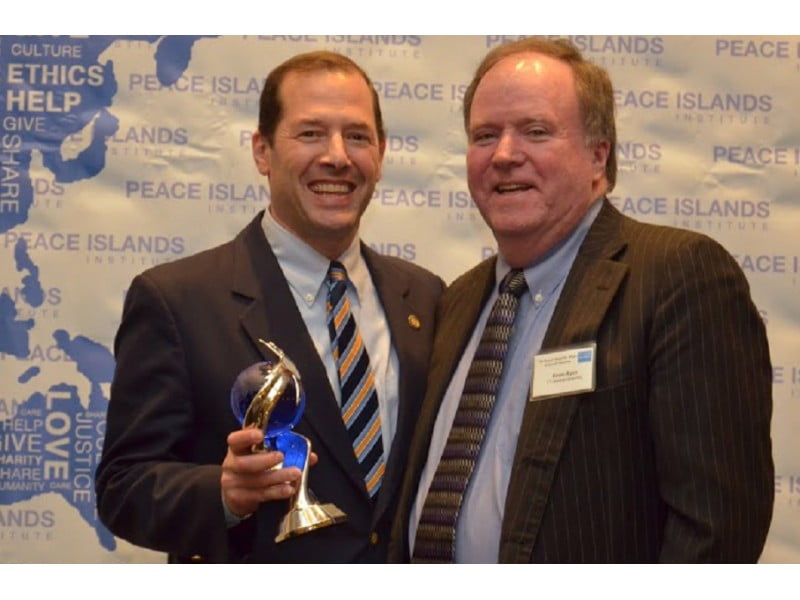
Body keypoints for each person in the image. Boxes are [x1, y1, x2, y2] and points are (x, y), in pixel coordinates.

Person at [389, 38, 773, 563]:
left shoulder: (677, 276)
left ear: (598, 155)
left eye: (536, 131)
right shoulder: (457, 300)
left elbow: (716, 531)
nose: (504, 155)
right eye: (485, 136)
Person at [95, 51, 444, 563]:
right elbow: (123, 487)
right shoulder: (176, 300)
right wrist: (223, 492)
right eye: (310, 134)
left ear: (382, 152)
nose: (337, 156)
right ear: (262, 152)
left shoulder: (427, 297)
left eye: (358, 136)